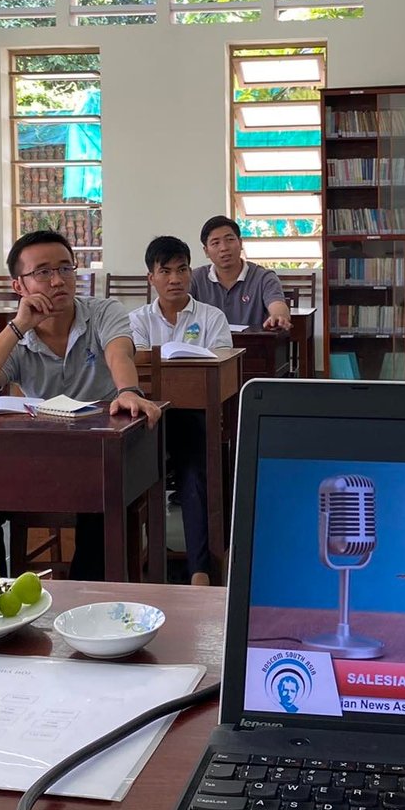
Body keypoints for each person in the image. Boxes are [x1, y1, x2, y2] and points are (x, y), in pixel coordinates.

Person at [0, 229, 160, 580]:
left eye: (66, 268)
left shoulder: (103, 312)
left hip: (99, 453)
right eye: (43, 272)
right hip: (40, 457)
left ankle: (86, 596)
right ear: (19, 285)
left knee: (103, 499)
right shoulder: (18, 337)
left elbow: (119, 354)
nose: (58, 280)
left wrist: (127, 390)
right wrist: (19, 325)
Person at [129, 235, 232, 587]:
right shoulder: (137, 320)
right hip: (148, 418)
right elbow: (135, 367)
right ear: (151, 277)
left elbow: (221, 365)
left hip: (195, 417)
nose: (175, 278)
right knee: (127, 466)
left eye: (182, 269)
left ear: (191, 272)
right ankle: (133, 568)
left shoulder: (212, 317)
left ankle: (199, 571)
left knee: (194, 471)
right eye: (166, 271)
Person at [190, 216, 291, 331]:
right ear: (206, 251)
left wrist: (278, 317)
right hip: (208, 342)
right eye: (215, 243)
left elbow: (277, 304)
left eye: (230, 240)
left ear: (240, 243)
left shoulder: (263, 277)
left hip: (251, 342)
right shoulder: (195, 278)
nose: (224, 248)